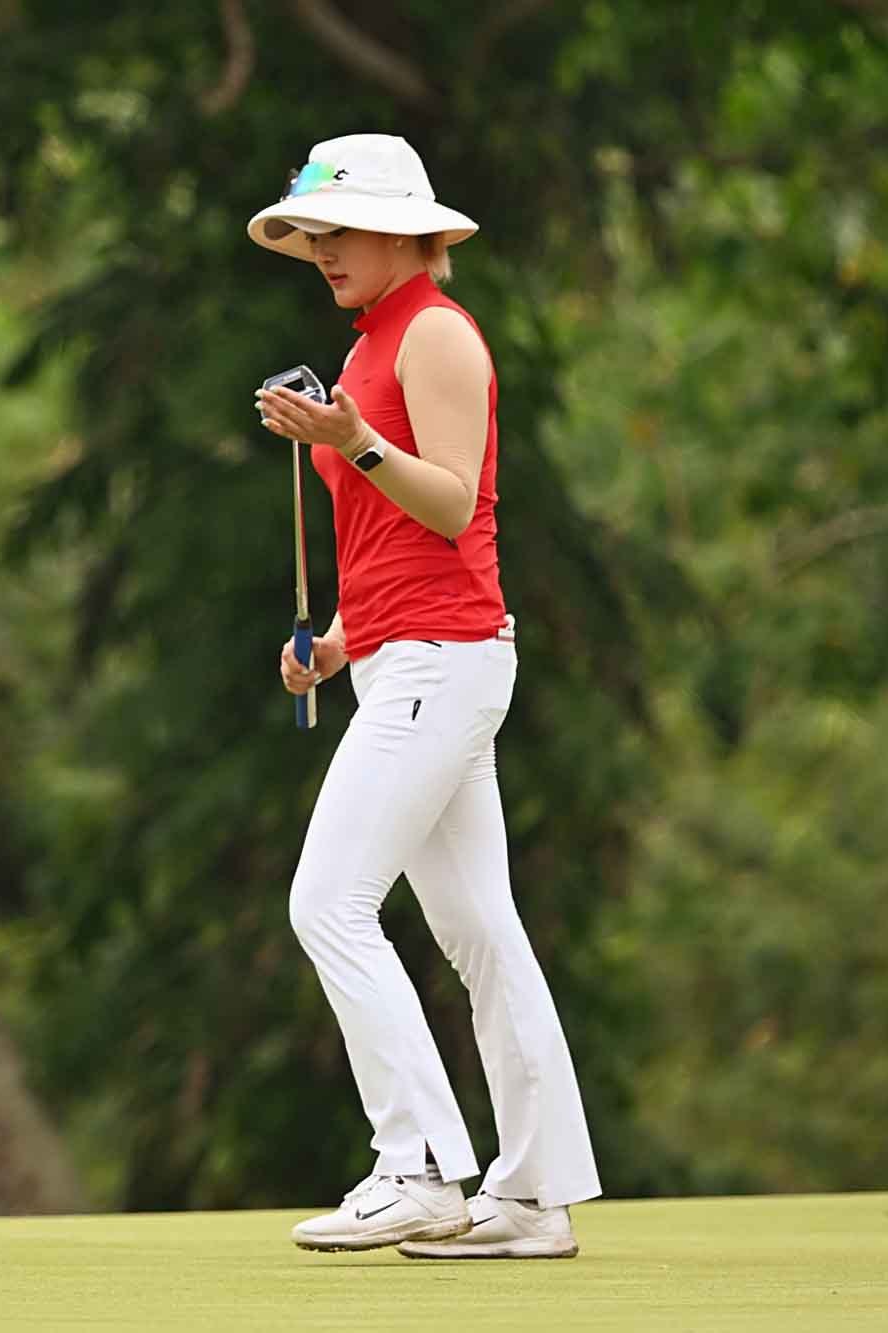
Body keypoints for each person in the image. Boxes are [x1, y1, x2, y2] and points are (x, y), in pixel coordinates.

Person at [247, 134, 602, 1259]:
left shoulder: (434, 333)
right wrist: (334, 646)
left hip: (443, 661)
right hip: (413, 655)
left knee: (326, 904)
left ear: (404, 233)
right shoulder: (367, 347)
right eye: (311, 234)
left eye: (339, 230)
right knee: (480, 932)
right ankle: (531, 1196)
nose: (321, 251)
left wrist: (351, 441)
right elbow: (396, 552)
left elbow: (452, 506)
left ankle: (418, 1168)